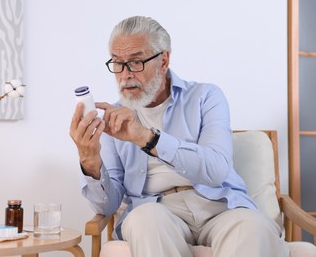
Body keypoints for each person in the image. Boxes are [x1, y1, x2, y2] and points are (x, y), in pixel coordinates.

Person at [70, 16, 289, 257]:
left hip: (220, 206)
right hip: (156, 208)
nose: (125, 75)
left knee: (253, 227)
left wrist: (146, 137)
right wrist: (90, 162)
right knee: (144, 220)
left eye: (135, 62)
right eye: (118, 63)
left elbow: (216, 169)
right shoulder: (113, 120)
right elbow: (108, 205)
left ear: (164, 60)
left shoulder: (206, 97)